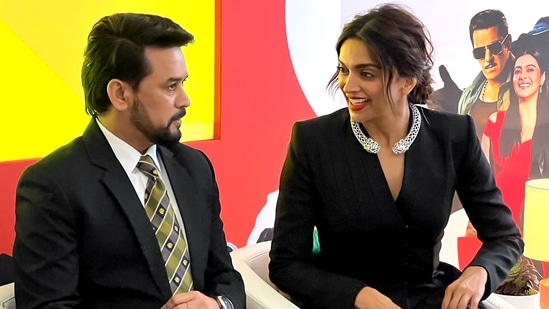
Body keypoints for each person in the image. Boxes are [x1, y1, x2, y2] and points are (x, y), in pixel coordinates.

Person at [268, 4, 523, 309]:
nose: (349, 86)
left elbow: (505, 237)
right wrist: (358, 295)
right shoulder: (313, 142)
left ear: (407, 81)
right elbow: (286, 264)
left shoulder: (454, 135)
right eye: (344, 69)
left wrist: (478, 273)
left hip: (432, 299)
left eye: (367, 73)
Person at [13, 13, 245, 309]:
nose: (185, 100)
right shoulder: (54, 185)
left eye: (183, 83)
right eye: (170, 86)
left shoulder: (195, 167)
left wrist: (219, 305)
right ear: (120, 94)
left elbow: (225, 274)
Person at [481, 34, 549, 229]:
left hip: (542, 234)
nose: (523, 76)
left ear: (542, 78)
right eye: (518, 71)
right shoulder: (495, 123)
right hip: (503, 234)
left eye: (530, 70)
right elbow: (482, 186)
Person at [457, 9, 514, 141]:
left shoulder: (529, 86)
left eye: (494, 48)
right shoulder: (468, 97)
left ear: (508, 42)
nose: (488, 58)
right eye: (480, 52)